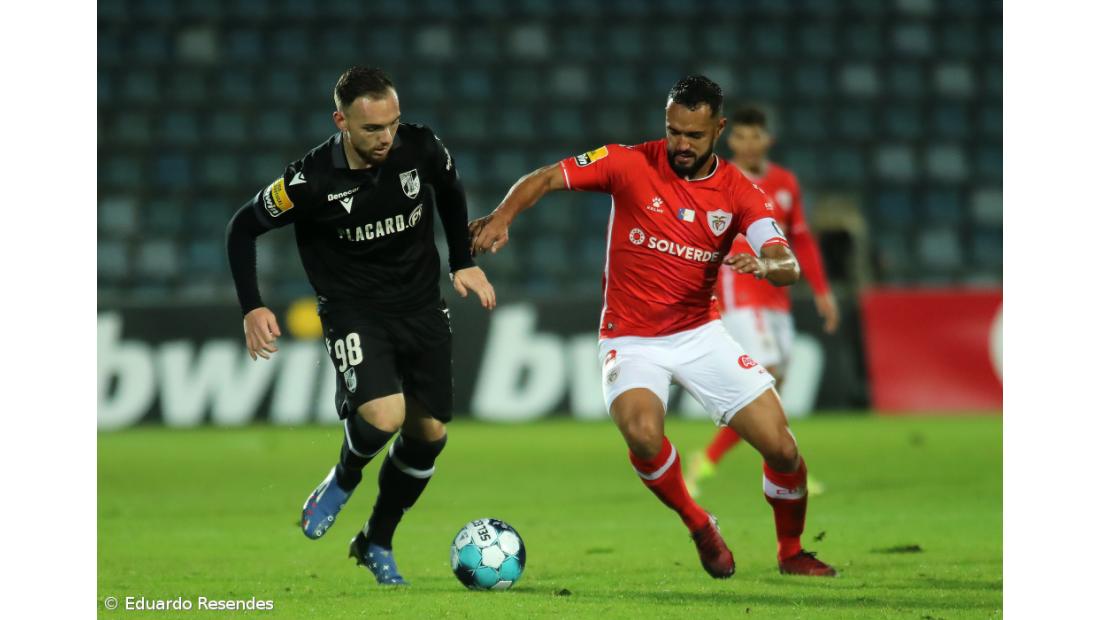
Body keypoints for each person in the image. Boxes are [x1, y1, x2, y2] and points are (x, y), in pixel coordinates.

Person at [469, 76, 836, 577]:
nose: (681, 145)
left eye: (694, 136)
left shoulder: (738, 191)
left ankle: (791, 552)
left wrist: (769, 267)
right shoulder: (629, 162)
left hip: (700, 334)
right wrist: (502, 214)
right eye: (674, 131)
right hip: (631, 336)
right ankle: (698, 522)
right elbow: (547, 177)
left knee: (783, 447)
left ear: (719, 129)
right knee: (642, 434)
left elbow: (783, 256)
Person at [225, 66, 495, 585]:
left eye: (392, 123)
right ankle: (344, 477)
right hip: (354, 311)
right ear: (341, 121)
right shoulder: (308, 181)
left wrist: (462, 259)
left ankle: (376, 539)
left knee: (429, 435)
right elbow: (242, 228)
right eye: (372, 129)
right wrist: (252, 306)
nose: (385, 137)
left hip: (421, 308)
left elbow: (451, 188)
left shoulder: (420, 148)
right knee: (383, 416)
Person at [686, 105, 838, 498]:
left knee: (774, 385)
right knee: (766, 375)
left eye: (757, 136)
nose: (749, 144)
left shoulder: (785, 182)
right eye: (741, 136)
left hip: (777, 299)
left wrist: (822, 291)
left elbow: (801, 239)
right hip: (739, 292)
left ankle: (717, 459)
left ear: (768, 139)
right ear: (729, 139)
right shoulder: (720, 178)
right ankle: (782, 468)